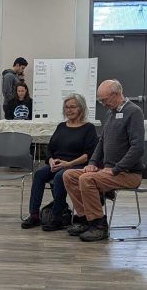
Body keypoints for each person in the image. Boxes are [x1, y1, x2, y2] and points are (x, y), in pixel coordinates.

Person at [62, 80, 144, 242]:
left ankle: (99, 225)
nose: (103, 104)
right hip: (108, 170)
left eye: (104, 100)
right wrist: (92, 163)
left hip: (128, 173)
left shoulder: (134, 112)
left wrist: (116, 169)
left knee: (86, 179)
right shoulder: (111, 112)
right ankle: (86, 218)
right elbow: (102, 141)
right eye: (100, 100)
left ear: (116, 94)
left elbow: (137, 148)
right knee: (69, 175)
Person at [21, 93, 98, 231]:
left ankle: (57, 217)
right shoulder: (61, 126)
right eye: (66, 107)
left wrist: (69, 164)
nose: (69, 110)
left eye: (73, 107)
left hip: (75, 165)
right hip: (57, 163)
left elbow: (89, 154)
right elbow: (50, 148)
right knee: (39, 174)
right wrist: (50, 160)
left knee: (59, 177)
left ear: (81, 108)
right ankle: (34, 215)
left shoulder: (89, 128)